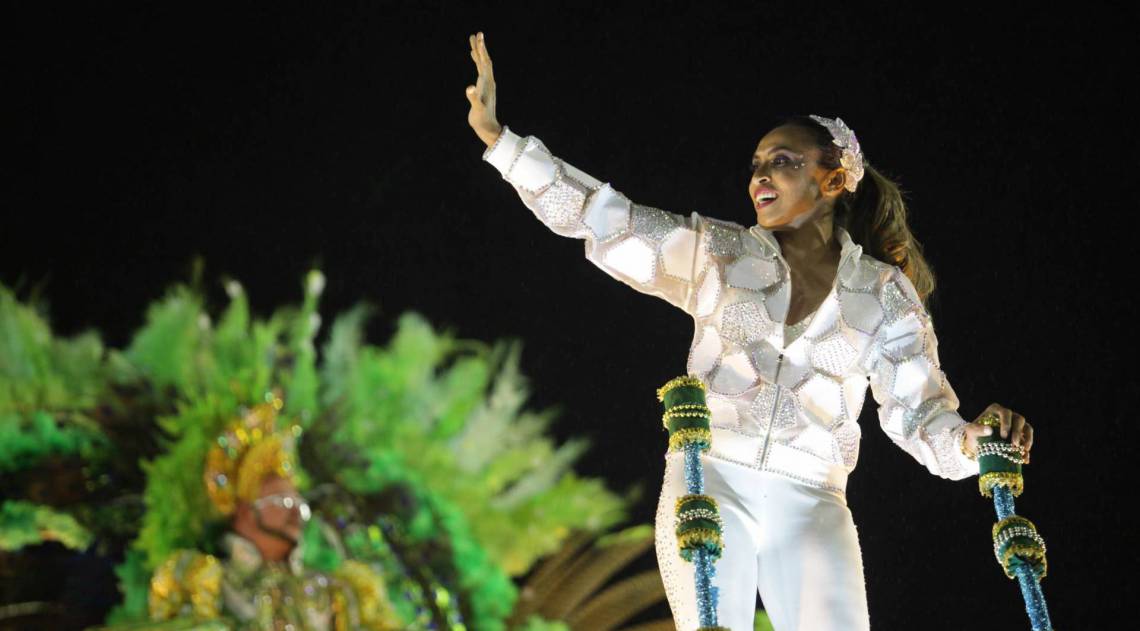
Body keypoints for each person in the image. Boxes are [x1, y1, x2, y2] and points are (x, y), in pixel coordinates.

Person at [464, 31, 1035, 631]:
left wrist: (975, 441)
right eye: (757, 166)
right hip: (709, 475)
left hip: (813, 499)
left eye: (783, 163)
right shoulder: (718, 254)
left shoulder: (882, 294)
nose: (759, 177)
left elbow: (920, 416)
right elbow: (606, 221)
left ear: (835, 178)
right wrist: (502, 144)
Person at [147, 394, 401, 630]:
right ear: (244, 510)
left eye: (299, 504)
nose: (296, 515)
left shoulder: (335, 594)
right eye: (282, 502)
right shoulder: (200, 582)